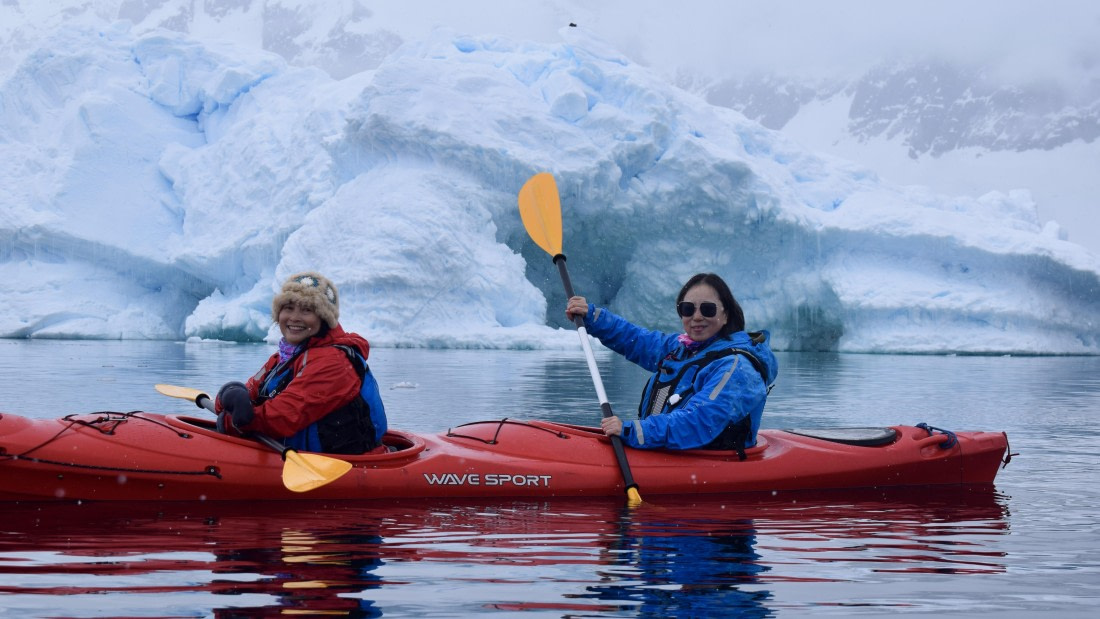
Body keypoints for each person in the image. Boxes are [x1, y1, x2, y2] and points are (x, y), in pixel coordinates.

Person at [565, 273, 777, 456]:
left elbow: (699, 420)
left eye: (708, 309)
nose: (697, 317)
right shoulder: (682, 349)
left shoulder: (737, 367)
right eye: (688, 309)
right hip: (668, 451)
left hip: (709, 460)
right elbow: (637, 340)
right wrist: (592, 317)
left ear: (726, 314)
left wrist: (633, 431)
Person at [215, 271, 387, 454]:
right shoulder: (284, 357)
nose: (295, 317)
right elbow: (251, 392)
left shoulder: (334, 363)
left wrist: (230, 422)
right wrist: (230, 393)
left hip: (339, 463)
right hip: (293, 453)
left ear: (324, 318)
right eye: (288, 308)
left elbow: (283, 417)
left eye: (307, 310)